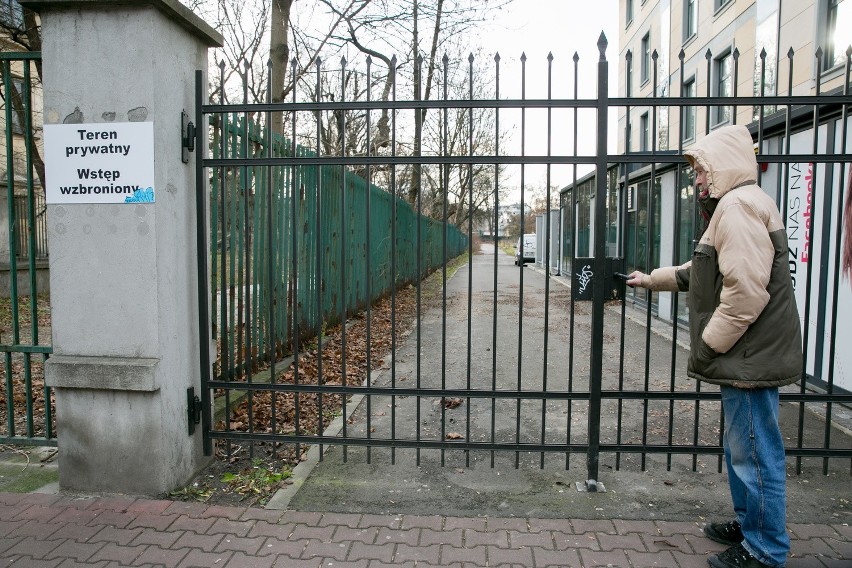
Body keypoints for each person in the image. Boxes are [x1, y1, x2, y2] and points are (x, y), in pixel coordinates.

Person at [626, 124, 802, 568]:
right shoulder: (735, 207)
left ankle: (765, 548)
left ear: (721, 166)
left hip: (747, 355)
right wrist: (650, 280)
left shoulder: (739, 207)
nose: (697, 179)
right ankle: (751, 525)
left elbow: (745, 294)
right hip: (748, 355)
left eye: (700, 170)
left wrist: (706, 345)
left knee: (755, 450)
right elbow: (697, 270)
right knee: (744, 446)